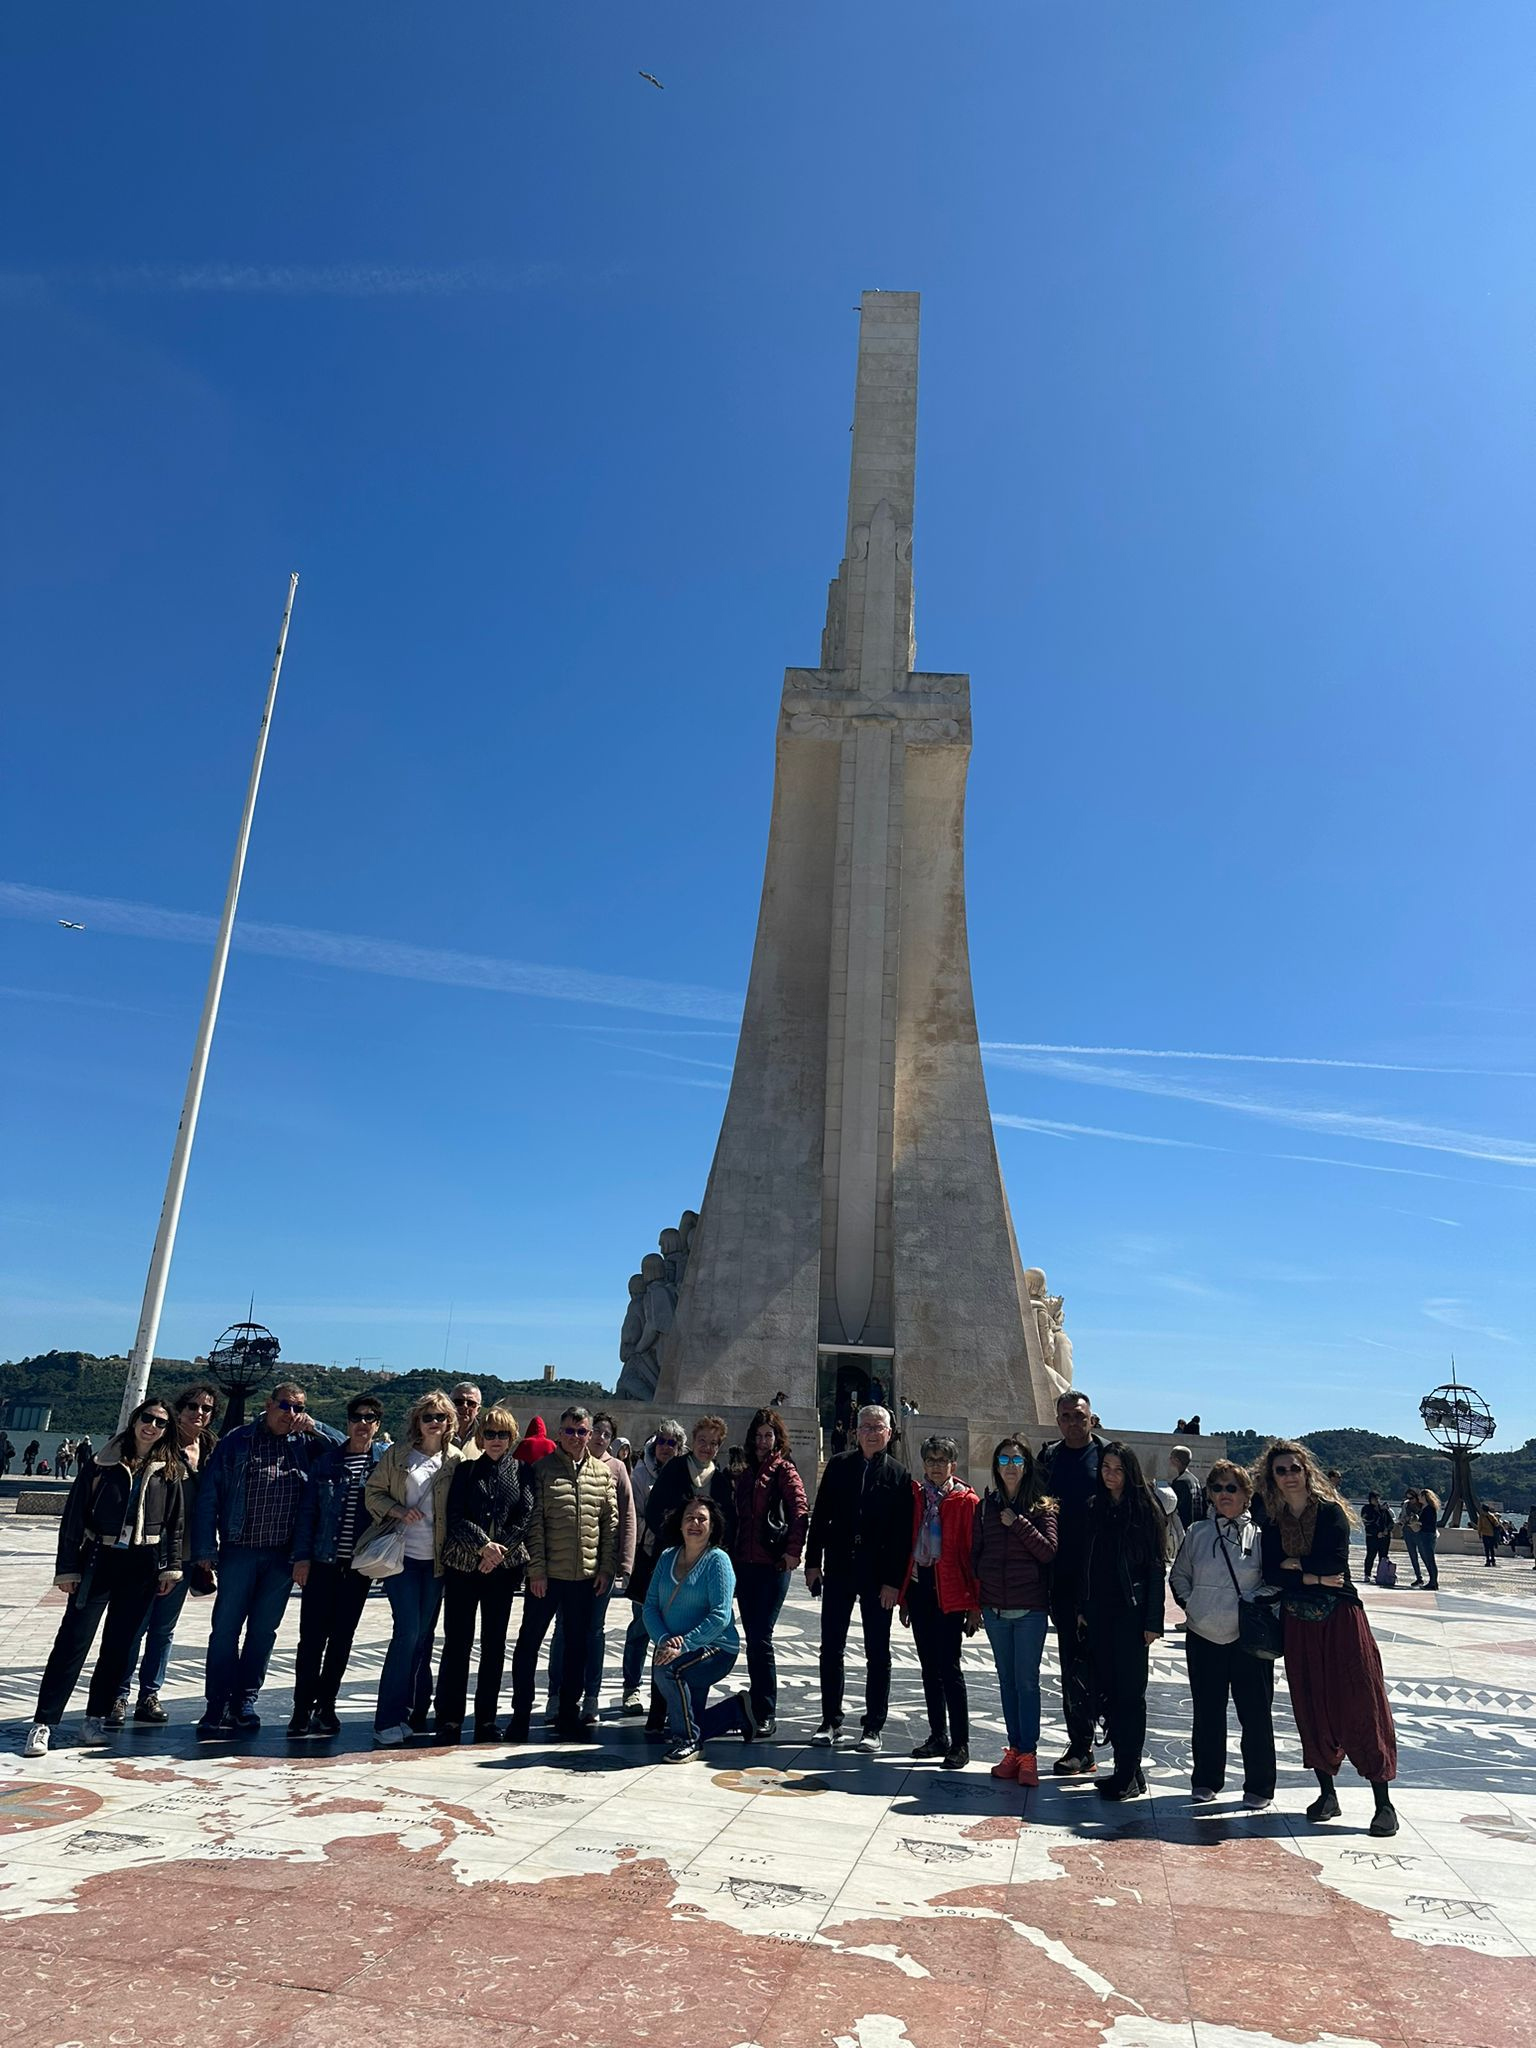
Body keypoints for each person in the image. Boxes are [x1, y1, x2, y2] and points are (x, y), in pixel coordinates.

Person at [22, 1402, 185, 1758]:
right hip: (99, 1559)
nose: (152, 1426)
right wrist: (67, 1568)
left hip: (141, 1564)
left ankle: (94, 1717)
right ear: (135, 1419)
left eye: (161, 1422)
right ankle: (44, 1722)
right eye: (147, 1418)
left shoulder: (169, 1470)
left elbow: (175, 1524)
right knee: (72, 1642)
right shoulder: (103, 1462)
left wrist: (171, 1568)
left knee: (119, 1645)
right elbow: (74, 1517)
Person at [1259, 1440, 1398, 1836]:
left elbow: (1335, 1563)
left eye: (1294, 1468)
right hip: (1298, 1619)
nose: (1288, 1476)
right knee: (1310, 1700)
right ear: (1273, 1477)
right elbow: (1270, 1571)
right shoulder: (1272, 1518)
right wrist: (1310, 1575)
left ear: (1306, 1471)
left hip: (1340, 1616)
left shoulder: (1331, 1512)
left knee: (1360, 1701)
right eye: (1280, 1470)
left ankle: (1383, 1801)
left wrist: (1297, 1569)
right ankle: (1326, 1793)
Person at [192, 1380, 341, 1740]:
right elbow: (209, 1495)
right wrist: (204, 1550)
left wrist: (316, 1426)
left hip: (281, 1557)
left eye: (298, 1408)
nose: (291, 1414)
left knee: (262, 1633)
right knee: (225, 1631)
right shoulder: (238, 1440)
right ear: (268, 1404)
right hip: (239, 1549)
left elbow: (349, 1448)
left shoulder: (305, 1443)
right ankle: (216, 1704)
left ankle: (245, 1701)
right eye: (285, 1406)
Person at [804, 1404, 913, 1755]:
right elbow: (820, 1516)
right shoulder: (838, 1465)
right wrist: (812, 1561)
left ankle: (873, 1727)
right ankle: (830, 1721)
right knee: (831, 1647)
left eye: (877, 1426)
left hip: (877, 1575)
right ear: (856, 1431)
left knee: (877, 1652)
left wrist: (893, 1582)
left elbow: (902, 1536)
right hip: (839, 1568)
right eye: (864, 1426)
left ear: (889, 1432)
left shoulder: (899, 1475)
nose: (870, 1432)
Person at [506, 1406, 617, 1742]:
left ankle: (569, 1710)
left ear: (590, 1434)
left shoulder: (601, 1474)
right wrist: (535, 1571)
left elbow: (609, 1526)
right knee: (528, 1645)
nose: (575, 1437)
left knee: (576, 1648)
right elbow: (533, 1524)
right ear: (560, 1433)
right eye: (569, 1431)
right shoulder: (541, 1470)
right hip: (548, 1577)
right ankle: (521, 1714)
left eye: (581, 1431)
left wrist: (606, 1569)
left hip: (584, 1578)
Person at [1169, 1459, 1275, 1809]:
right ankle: (1206, 1779)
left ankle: (1259, 1785)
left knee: (1256, 1714)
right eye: (1217, 1487)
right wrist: (1194, 1605)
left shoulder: (1260, 1536)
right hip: (1204, 1634)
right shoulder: (1198, 1533)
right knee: (1208, 1712)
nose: (1224, 1494)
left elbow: (1272, 1583)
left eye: (1232, 1488)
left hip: (1246, 1639)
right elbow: (1179, 1576)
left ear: (1247, 1494)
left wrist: (1251, 1605)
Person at [112, 1383, 219, 1726]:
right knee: (135, 1625)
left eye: (206, 1409)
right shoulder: (161, 1446)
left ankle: (149, 1695)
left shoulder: (213, 1448)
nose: (198, 1413)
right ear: (178, 1409)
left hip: (187, 1554)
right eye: (192, 1406)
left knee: (163, 1629)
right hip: (151, 1551)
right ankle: (118, 1694)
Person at [361, 1391, 462, 1746]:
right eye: (428, 1416)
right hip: (401, 1558)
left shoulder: (455, 1459)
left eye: (442, 1417)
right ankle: (386, 1718)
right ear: (417, 1421)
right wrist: (398, 1510)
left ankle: (407, 1713)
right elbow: (372, 1493)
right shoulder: (398, 1455)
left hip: (435, 1562)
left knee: (422, 1637)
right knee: (406, 1633)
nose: (435, 1422)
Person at [288, 1393, 387, 1737]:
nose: (362, 1424)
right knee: (311, 1640)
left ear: (378, 1424)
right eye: (357, 1417)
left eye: (370, 1418)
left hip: (358, 1570)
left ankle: (326, 1706)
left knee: (342, 1640)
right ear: (347, 1422)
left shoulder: (384, 1463)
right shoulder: (327, 1462)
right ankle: (301, 1709)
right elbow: (308, 1513)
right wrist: (301, 1558)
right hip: (322, 1563)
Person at [435, 1406, 533, 1743]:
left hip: (502, 1571)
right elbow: (455, 1514)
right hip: (464, 1565)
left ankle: (487, 1720)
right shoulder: (466, 1471)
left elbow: (525, 1517)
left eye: (502, 1434)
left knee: (494, 1645)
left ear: (512, 1437)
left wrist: (498, 1550)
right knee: (457, 1642)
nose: (495, 1440)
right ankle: (449, 1717)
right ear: (480, 1437)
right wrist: (483, 1546)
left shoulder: (522, 1472)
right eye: (489, 1434)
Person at [1081, 1441, 1166, 1801]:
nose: (1110, 1475)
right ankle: (1127, 1769)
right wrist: (1082, 1608)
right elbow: (1086, 1563)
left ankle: (1128, 1774)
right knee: (1109, 1694)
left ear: (1129, 1472)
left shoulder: (1146, 1510)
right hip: (1100, 1613)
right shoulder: (1095, 1507)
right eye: (1105, 1468)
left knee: (1131, 1696)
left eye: (1117, 1469)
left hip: (1131, 1616)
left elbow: (1155, 1569)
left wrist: (1152, 1620)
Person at [972, 1436, 1058, 1787]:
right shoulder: (984, 1507)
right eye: (1004, 1460)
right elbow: (976, 1555)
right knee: (1006, 1682)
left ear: (1027, 1466)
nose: (1010, 1467)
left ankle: (1029, 1753)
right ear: (996, 1466)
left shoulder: (1044, 1506)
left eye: (1017, 1461)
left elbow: (1049, 1551)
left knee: (1026, 1682)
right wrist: (977, 1600)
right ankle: (1013, 1749)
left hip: (1030, 1609)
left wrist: (1018, 1523)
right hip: (995, 1607)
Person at [644, 1496, 755, 1762]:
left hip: (715, 1647)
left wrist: (682, 1644)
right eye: (689, 1518)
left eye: (702, 1519)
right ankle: (735, 1711)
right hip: (676, 1646)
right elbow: (649, 1606)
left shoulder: (718, 1561)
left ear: (713, 1526)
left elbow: (720, 1616)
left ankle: (689, 1742)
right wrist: (664, 1640)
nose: (695, 1523)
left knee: (668, 1672)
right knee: (686, 1718)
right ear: (680, 1525)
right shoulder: (666, 1557)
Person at [547, 1410, 636, 1727]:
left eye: (606, 1434)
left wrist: (622, 1565)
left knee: (594, 1631)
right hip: (568, 1568)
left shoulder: (616, 1468)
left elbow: (625, 1519)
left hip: (601, 1568)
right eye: (595, 1431)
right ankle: (556, 1695)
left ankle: (592, 1696)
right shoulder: (564, 1464)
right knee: (563, 1631)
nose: (599, 1437)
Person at [898, 1434, 980, 1770]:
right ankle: (938, 1735)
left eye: (941, 1461)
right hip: (920, 1588)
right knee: (929, 1667)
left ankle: (960, 1742)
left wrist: (974, 1604)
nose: (934, 1466)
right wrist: (904, 1597)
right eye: (930, 1460)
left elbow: (974, 1555)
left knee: (950, 1668)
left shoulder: (965, 1501)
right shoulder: (916, 1495)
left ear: (953, 1465)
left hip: (950, 1591)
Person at [1037, 1390, 1105, 1775]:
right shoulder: (1048, 1458)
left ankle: (1118, 1743)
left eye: (1078, 1416)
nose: (1072, 1423)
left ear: (1091, 1418)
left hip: (1101, 1578)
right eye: (1065, 1416)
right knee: (1071, 1663)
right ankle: (1080, 1744)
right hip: (1062, 1576)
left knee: (1106, 1663)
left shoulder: (1109, 1456)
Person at [731, 1408, 809, 1736]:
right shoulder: (745, 1471)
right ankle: (760, 1700)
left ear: (777, 1438)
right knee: (754, 1638)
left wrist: (794, 1552)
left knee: (762, 1637)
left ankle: (766, 1710)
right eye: (759, 1435)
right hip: (745, 1565)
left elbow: (800, 1510)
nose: (763, 1441)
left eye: (769, 1435)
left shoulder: (784, 1470)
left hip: (773, 1566)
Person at [621, 1420, 685, 1711]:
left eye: (672, 1442)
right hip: (647, 1557)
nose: (665, 1447)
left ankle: (666, 1692)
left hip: (678, 1561)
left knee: (674, 1629)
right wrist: (663, 1530)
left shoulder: (685, 1472)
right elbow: (633, 1515)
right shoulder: (639, 1472)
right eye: (661, 1441)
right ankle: (632, 1688)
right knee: (641, 1627)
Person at [1360, 1492, 1393, 1583]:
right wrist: (1376, 1533)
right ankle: (1367, 1574)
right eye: (1375, 1498)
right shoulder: (1366, 1509)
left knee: (1383, 1556)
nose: (1377, 1500)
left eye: (1378, 1498)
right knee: (1371, 1555)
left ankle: (1381, 1574)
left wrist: (1386, 1530)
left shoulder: (1383, 1509)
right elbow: (1367, 1522)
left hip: (1384, 1537)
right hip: (1372, 1537)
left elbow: (1390, 1522)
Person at [1415, 1489, 1442, 1590]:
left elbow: (1430, 1523)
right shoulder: (1424, 1508)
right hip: (1424, 1534)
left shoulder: (1429, 1509)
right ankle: (1432, 1581)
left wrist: (1419, 1523)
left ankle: (1433, 1582)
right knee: (1427, 1558)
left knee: (1430, 1559)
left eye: (1420, 1496)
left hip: (1428, 1535)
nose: (1418, 1498)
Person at [1168, 1447, 1199, 1531]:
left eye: (1171, 1457)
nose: (1169, 1460)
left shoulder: (1180, 1482)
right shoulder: (1195, 1479)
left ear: (1177, 1461)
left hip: (1184, 1528)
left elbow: (1176, 1509)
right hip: (1196, 1527)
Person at [449, 1384, 484, 1451]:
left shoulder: (487, 1436)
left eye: (471, 1403)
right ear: (449, 1404)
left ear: (478, 1410)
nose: (464, 1406)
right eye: (458, 1402)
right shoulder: (437, 1433)